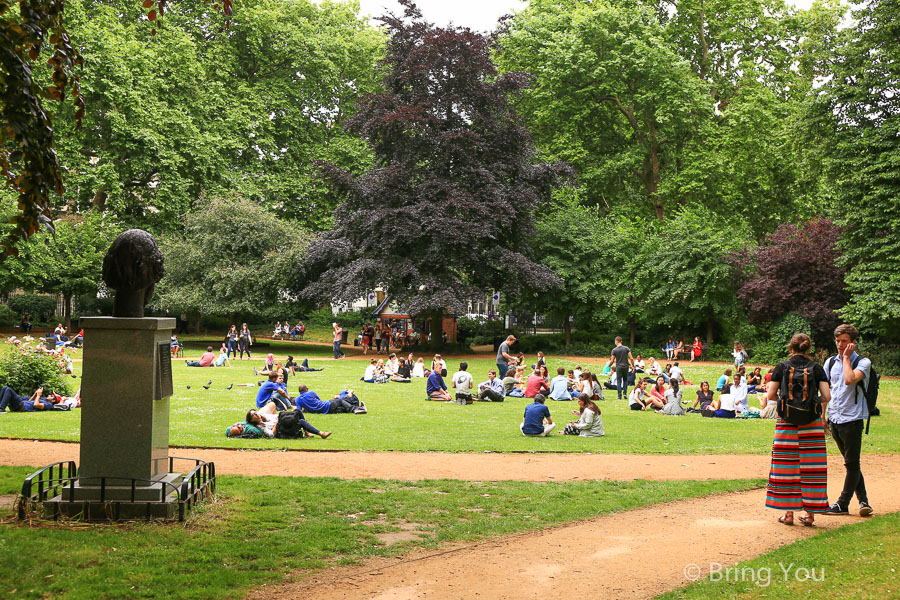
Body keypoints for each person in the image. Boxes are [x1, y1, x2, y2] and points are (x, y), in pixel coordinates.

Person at [765, 333, 830, 526]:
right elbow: (826, 396)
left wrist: (788, 404)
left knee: (786, 467)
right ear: (808, 349)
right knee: (812, 468)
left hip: (786, 423)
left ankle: (788, 514)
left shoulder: (782, 367)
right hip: (812, 424)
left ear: (790, 347)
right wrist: (810, 405)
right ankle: (810, 515)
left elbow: (771, 394)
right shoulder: (817, 368)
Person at [823, 324, 874, 517]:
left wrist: (846, 358)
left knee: (851, 463)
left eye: (844, 341)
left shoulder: (863, 362)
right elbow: (825, 390)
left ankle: (843, 504)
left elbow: (849, 379)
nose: (840, 344)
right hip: (834, 417)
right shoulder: (829, 362)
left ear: (853, 342)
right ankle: (864, 502)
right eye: (837, 341)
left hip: (852, 418)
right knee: (850, 462)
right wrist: (822, 414)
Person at [295, 385, 365, 414]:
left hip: (324, 412)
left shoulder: (297, 399)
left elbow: (299, 410)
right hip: (327, 405)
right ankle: (355, 409)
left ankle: (360, 409)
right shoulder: (311, 392)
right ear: (306, 389)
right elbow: (320, 400)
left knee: (342, 409)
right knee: (340, 401)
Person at [607, 336, 634, 401]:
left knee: (619, 381)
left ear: (616, 341)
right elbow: (631, 358)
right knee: (625, 380)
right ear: (621, 341)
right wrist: (633, 366)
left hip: (619, 366)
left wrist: (609, 365)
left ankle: (619, 396)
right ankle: (625, 393)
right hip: (626, 366)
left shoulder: (614, 350)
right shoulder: (626, 348)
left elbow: (612, 360)